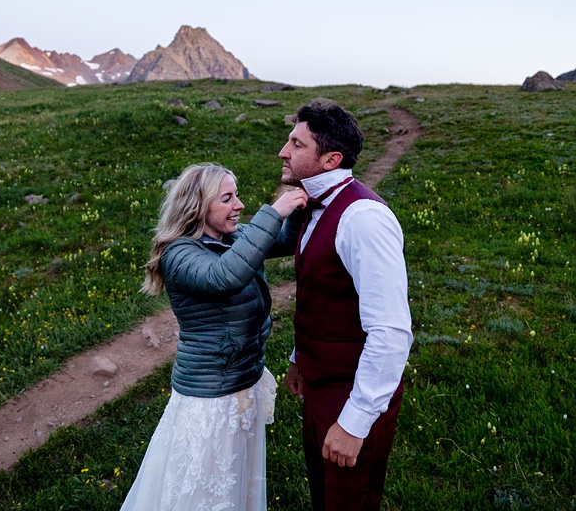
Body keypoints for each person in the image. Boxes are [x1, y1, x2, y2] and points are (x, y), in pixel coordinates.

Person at [121, 162, 308, 511]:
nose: (239, 204)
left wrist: (299, 205)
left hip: (240, 384)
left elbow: (281, 239)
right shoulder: (178, 254)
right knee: (206, 496)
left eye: (236, 195)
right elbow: (225, 275)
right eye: (227, 198)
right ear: (198, 206)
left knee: (234, 488)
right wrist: (274, 210)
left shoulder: (230, 238)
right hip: (211, 401)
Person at [279, 102, 413, 511]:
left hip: (353, 394)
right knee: (324, 498)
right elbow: (321, 293)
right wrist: (300, 357)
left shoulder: (363, 219)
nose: (283, 152)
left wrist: (355, 423)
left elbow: (391, 332)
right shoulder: (313, 205)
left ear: (330, 159)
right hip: (320, 384)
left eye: (296, 143)